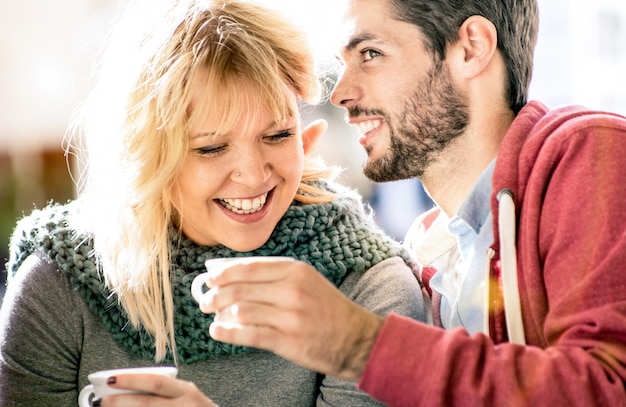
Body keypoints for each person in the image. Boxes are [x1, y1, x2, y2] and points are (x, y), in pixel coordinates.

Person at [0, 0, 426, 406]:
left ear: (303, 139)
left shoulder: (370, 288)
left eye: (276, 135)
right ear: (147, 157)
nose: (255, 174)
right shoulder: (58, 282)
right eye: (211, 148)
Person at [201, 0, 626, 405]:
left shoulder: (589, 154)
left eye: (369, 53)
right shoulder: (428, 251)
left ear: (471, 48)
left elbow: (610, 389)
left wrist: (359, 344)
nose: (340, 94)